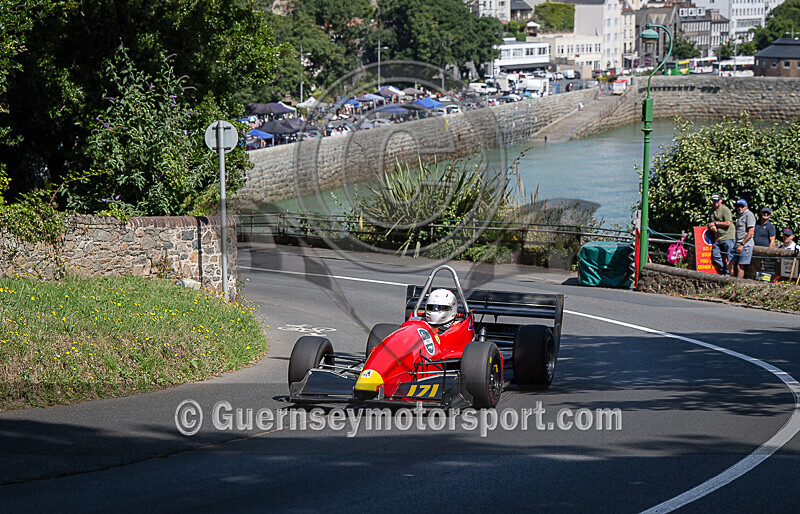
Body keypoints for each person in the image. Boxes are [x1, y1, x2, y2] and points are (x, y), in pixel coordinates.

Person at [708, 194, 735, 275]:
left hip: (728, 236)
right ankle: (725, 269)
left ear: (721, 200)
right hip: (718, 237)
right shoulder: (711, 211)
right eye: (713, 201)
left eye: (717, 200)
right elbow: (710, 222)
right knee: (715, 254)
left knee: (730, 256)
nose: (715, 202)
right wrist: (712, 226)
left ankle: (729, 275)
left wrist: (715, 223)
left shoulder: (725, 210)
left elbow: (728, 223)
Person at [728, 198, 756, 278]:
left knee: (740, 266)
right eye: (738, 206)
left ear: (746, 206)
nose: (740, 208)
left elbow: (751, 232)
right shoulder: (741, 216)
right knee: (730, 264)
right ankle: (732, 283)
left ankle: (737, 285)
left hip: (745, 245)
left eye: (742, 206)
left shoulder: (749, 215)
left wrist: (742, 244)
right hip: (737, 244)